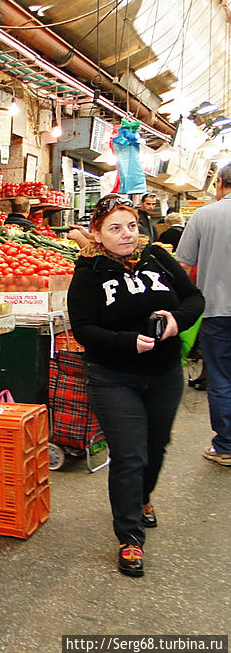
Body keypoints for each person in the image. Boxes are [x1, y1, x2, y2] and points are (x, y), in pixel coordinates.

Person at [67, 193, 204, 577]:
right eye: (115, 228)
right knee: (129, 454)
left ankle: (143, 497)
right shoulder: (88, 272)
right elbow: (83, 329)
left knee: (156, 447)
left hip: (164, 374)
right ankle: (130, 537)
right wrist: (127, 342)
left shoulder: (157, 257)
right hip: (113, 377)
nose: (127, 234)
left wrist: (176, 321)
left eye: (131, 225)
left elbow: (194, 298)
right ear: (97, 233)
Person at [175, 163, 231, 467]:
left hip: (216, 311)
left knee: (221, 378)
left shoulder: (204, 215)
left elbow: (182, 264)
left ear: (219, 183)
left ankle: (226, 446)